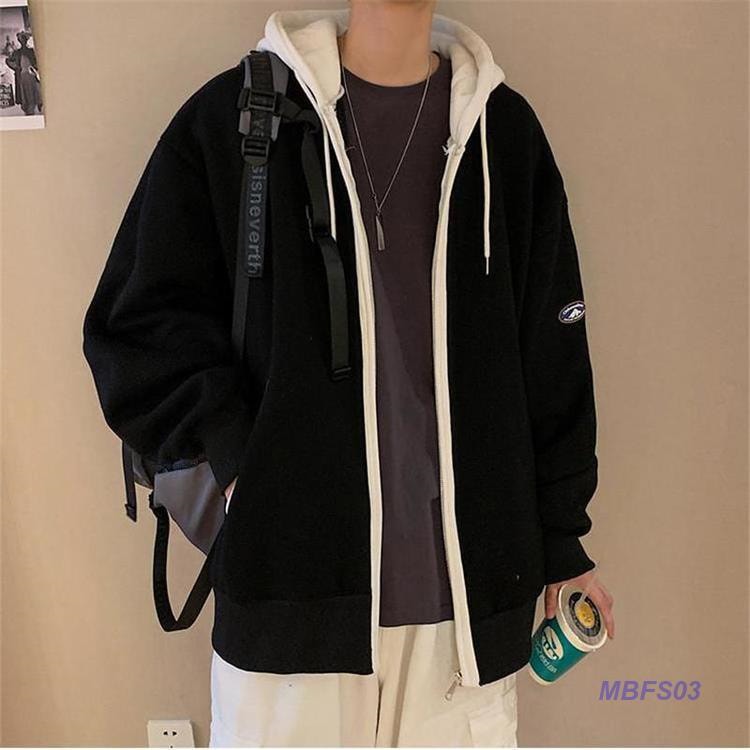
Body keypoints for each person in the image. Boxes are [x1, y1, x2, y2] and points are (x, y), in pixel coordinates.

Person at [82, 2, 614, 746]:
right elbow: (136, 327)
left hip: (464, 628)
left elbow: (552, 362)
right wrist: (238, 465)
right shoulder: (237, 119)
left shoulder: (505, 136)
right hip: (288, 617)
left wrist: (564, 545)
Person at [5, 30, 42, 115]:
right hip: (21, 75)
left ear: (26, 40)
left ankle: (36, 105)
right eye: (21, 40)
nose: (23, 41)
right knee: (24, 92)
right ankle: (26, 107)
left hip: (31, 75)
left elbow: (37, 61)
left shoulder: (31, 51)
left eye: (24, 39)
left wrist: (35, 68)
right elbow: (8, 61)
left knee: (35, 90)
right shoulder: (17, 52)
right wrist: (16, 68)